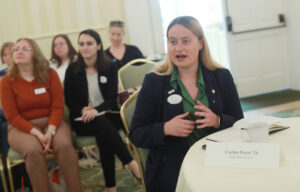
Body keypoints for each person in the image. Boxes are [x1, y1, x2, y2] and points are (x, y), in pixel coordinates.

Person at [129, 16, 244, 192]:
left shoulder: (221, 76)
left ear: (200, 43)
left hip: (220, 160)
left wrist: (217, 121)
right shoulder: (154, 82)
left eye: (186, 41)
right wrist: (165, 128)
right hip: (175, 166)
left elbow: (240, 123)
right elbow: (136, 134)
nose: (178, 48)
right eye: (172, 41)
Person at [0, 38, 82, 192]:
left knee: (64, 145)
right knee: (32, 151)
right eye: (16, 49)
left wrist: (50, 131)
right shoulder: (6, 81)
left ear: (34, 54)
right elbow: (12, 115)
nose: (18, 52)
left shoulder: (50, 74)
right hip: (21, 127)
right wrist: (38, 134)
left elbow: (58, 106)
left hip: (53, 122)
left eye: (25, 49)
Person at [64, 29, 141, 192]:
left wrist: (96, 110)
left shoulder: (109, 67)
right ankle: (131, 163)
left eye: (89, 43)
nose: (84, 47)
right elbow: (69, 99)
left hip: (107, 115)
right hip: (82, 119)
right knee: (102, 126)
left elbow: (111, 99)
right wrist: (84, 110)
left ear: (98, 46)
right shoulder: (72, 69)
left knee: (103, 130)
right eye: (81, 44)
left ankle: (111, 188)